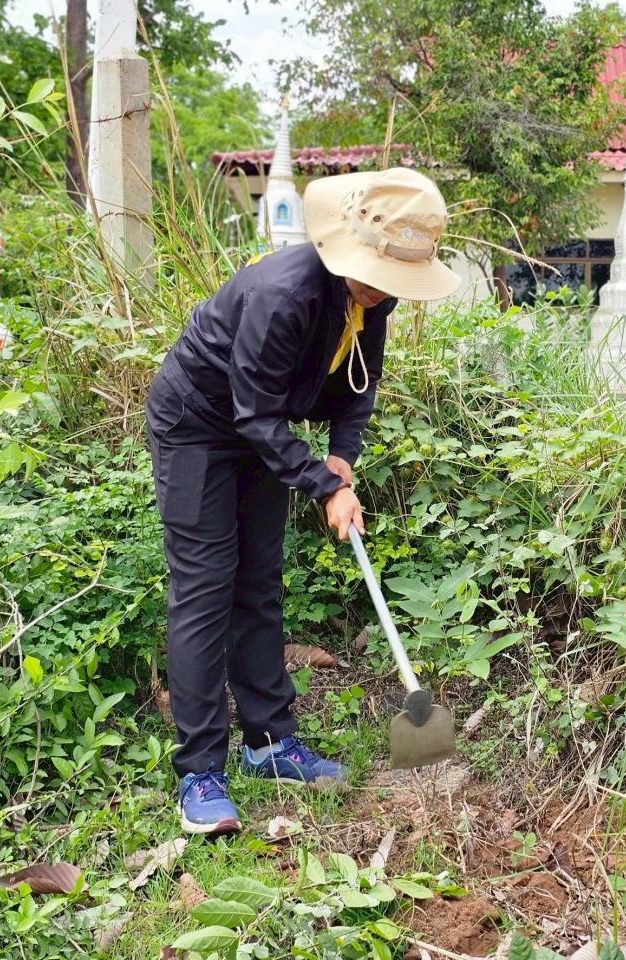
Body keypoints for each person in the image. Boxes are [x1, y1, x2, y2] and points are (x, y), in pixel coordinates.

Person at [145, 167, 461, 835]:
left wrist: (342, 457)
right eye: (379, 273)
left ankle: (268, 744)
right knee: (206, 587)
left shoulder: (372, 298)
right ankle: (201, 772)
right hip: (199, 426)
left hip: (261, 430)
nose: (384, 290)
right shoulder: (283, 294)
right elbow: (254, 415)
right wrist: (325, 486)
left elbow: (358, 388)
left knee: (258, 584)